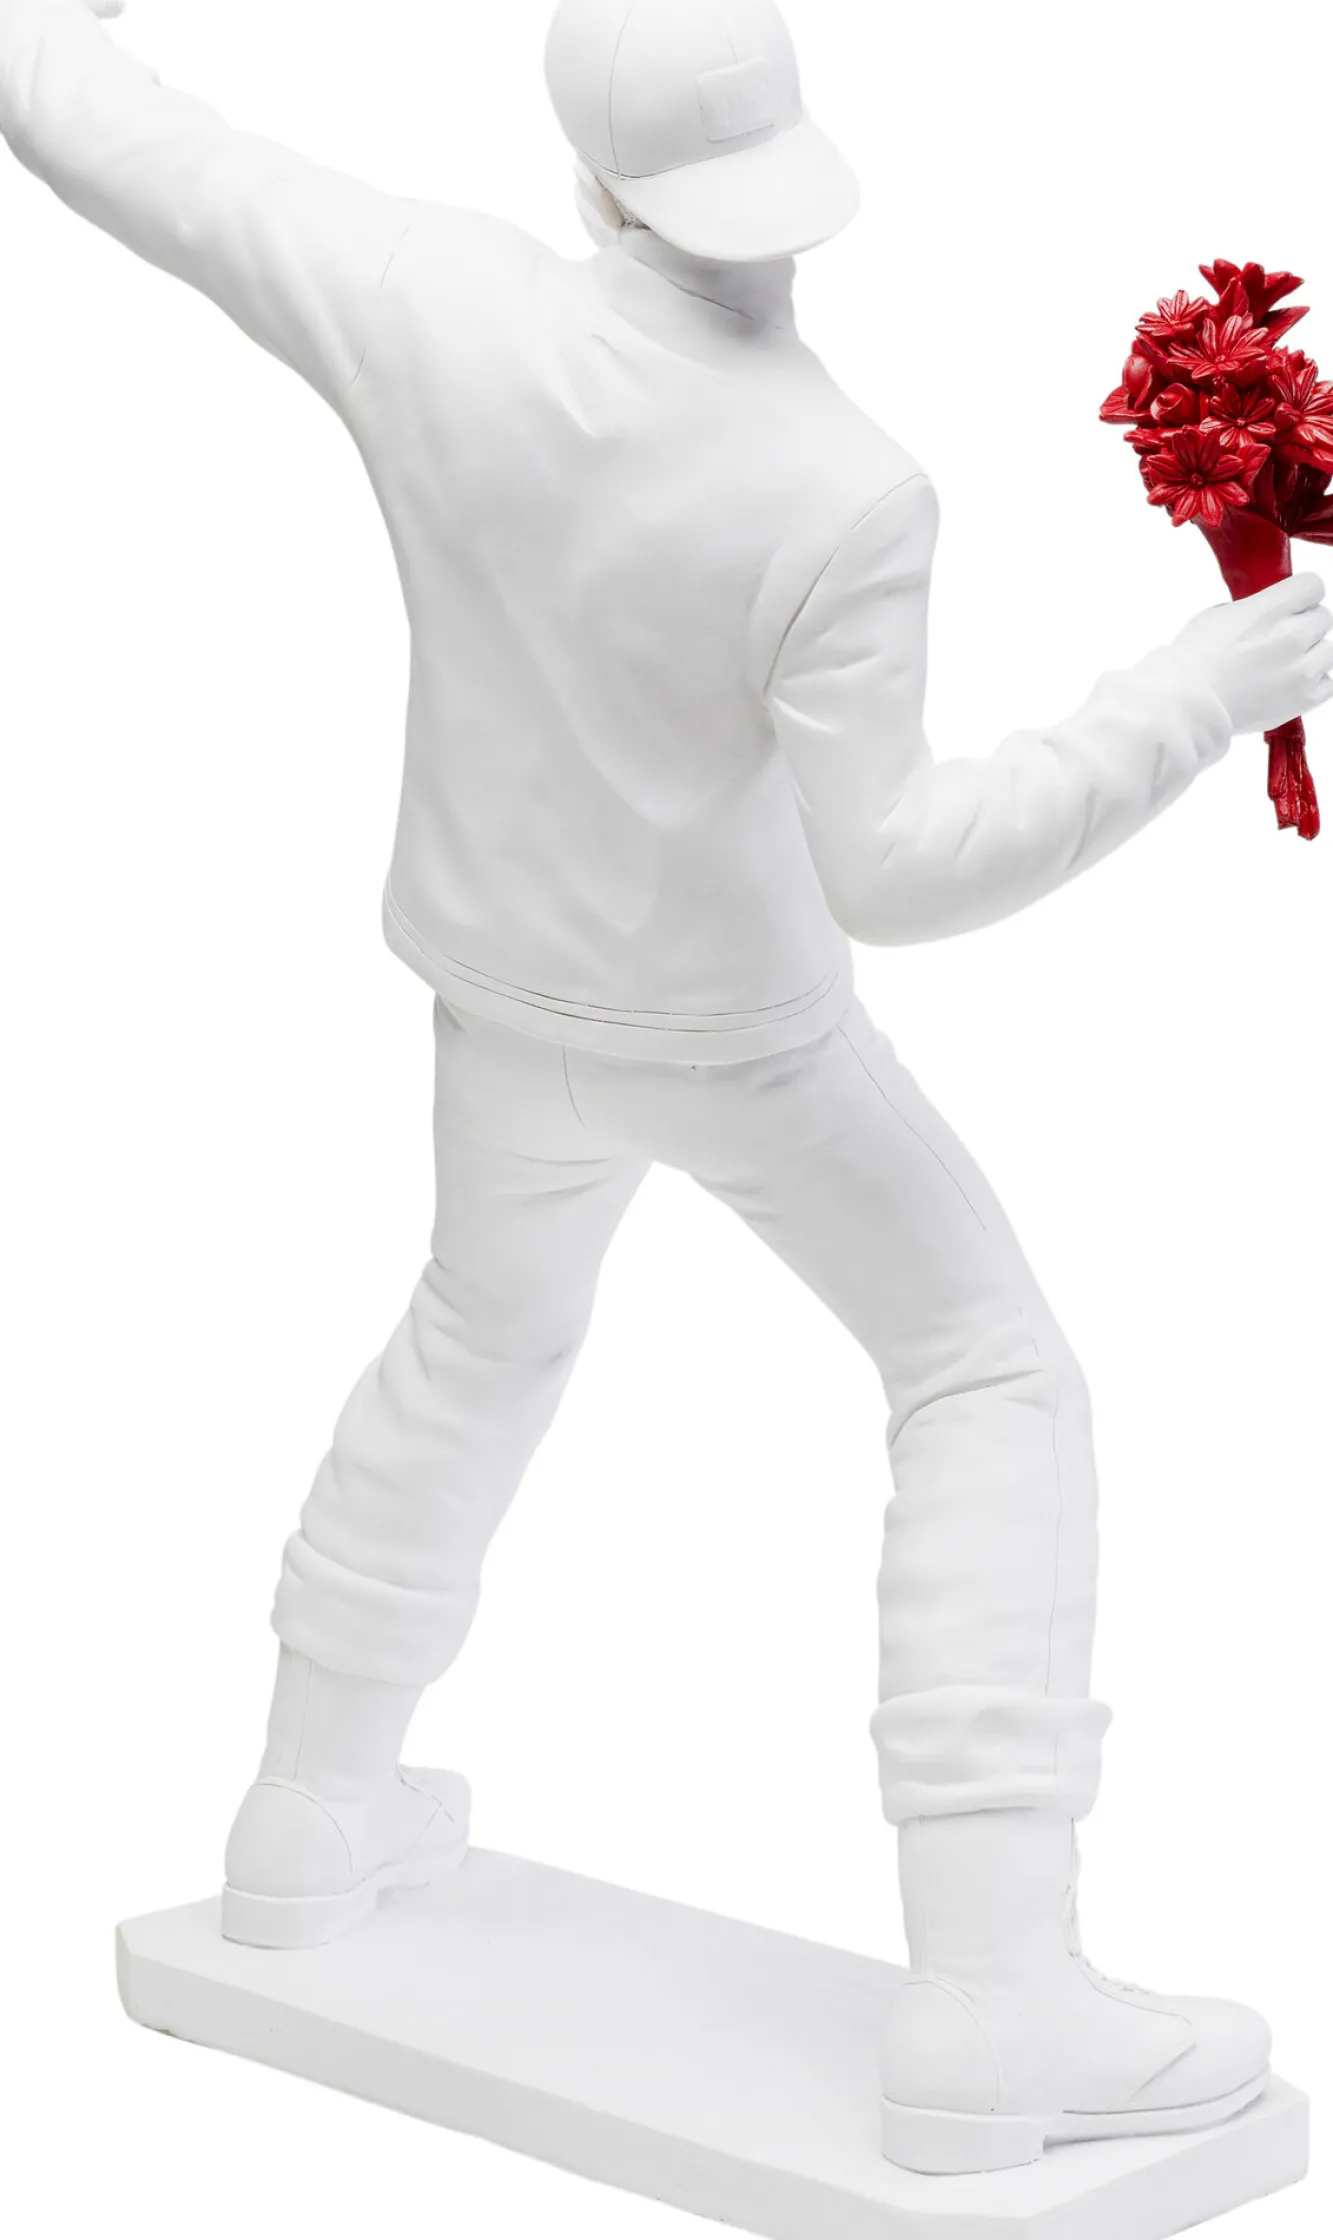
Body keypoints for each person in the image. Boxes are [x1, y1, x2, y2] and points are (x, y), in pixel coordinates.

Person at [4, 0, 1328, 2177]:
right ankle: (995, 1997)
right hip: (737, 1041)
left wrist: (42, 36)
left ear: (592, 182)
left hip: (492, 1004)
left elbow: (148, 152)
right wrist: (1196, 690)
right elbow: (904, 867)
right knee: (985, 1369)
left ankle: (307, 1807)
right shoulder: (844, 486)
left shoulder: (431, 300)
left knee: (477, 1340)